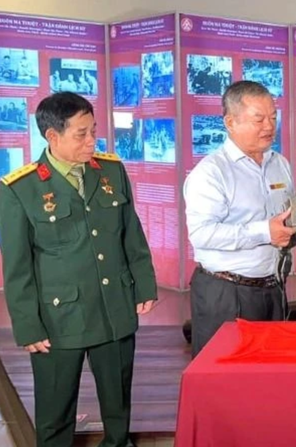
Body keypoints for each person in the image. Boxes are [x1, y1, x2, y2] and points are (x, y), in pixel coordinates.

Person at [0, 92, 157, 447]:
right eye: (81, 134)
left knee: (118, 405)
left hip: (113, 308)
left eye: (94, 132)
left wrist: (144, 283)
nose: (91, 142)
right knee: (55, 413)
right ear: (52, 137)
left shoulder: (111, 171)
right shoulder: (20, 189)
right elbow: (18, 265)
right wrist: (27, 326)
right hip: (59, 320)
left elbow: (130, 232)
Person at [184, 80, 296, 358]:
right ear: (230, 122)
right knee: (223, 382)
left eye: (273, 117)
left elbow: (282, 221)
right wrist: (265, 232)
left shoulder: (279, 163)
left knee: (270, 377)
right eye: (259, 119)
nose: (269, 126)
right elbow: (202, 234)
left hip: (273, 289)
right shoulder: (210, 173)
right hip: (226, 293)